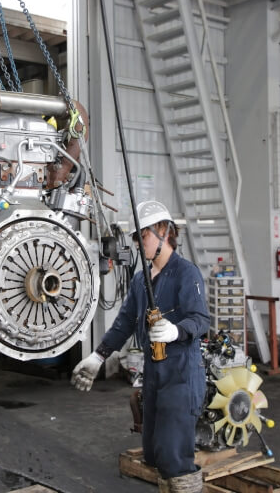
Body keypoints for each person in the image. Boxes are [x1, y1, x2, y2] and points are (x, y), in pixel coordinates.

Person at [71, 200, 210, 492]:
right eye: (136, 238)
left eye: (143, 236)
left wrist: (176, 330)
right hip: (155, 375)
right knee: (154, 453)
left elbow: (200, 320)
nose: (138, 244)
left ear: (163, 231)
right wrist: (99, 356)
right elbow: (123, 322)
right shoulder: (140, 280)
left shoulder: (186, 273)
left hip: (181, 375)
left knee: (174, 457)